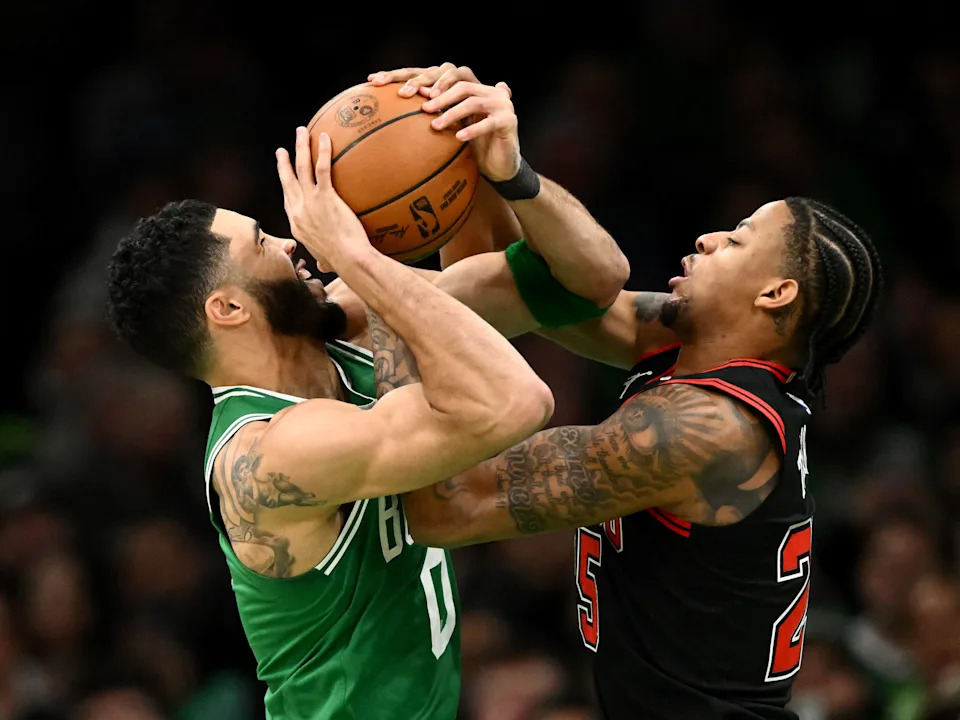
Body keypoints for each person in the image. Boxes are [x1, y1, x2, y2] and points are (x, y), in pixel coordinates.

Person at [105, 65, 630, 719]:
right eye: (263, 241)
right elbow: (516, 403)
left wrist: (502, 170)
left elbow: (589, 278)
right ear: (229, 309)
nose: (296, 240)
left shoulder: (355, 316)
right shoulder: (267, 457)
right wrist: (359, 257)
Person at [390, 72, 884, 717]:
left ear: (774, 295)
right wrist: (486, 161)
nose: (708, 238)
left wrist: (387, 305)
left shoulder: (708, 429)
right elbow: (517, 285)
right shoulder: (691, 346)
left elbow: (446, 506)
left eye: (736, 241)